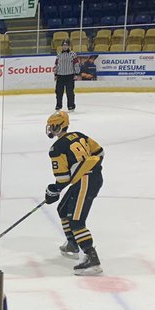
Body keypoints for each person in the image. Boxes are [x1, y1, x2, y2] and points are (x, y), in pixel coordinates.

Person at [44, 111, 104, 275]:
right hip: (91, 177)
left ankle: (92, 259)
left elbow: (63, 178)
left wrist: (53, 190)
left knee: (77, 221)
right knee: (63, 209)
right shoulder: (79, 135)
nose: (50, 129)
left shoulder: (56, 148)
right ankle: (72, 244)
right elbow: (99, 152)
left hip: (86, 181)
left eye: (52, 126)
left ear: (58, 126)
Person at [54, 38, 79, 111]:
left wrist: (76, 73)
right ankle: (58, 105)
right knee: (58, 92)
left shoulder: (73, 54)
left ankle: (71, 105)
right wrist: (55, 74)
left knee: (70, 92)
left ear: (69, 46)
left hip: (70, 75)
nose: (65, 47)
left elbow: (76, 64)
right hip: (60, 75)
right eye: (63, 45)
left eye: (66, 45)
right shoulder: (59, 54)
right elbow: (56, 65)